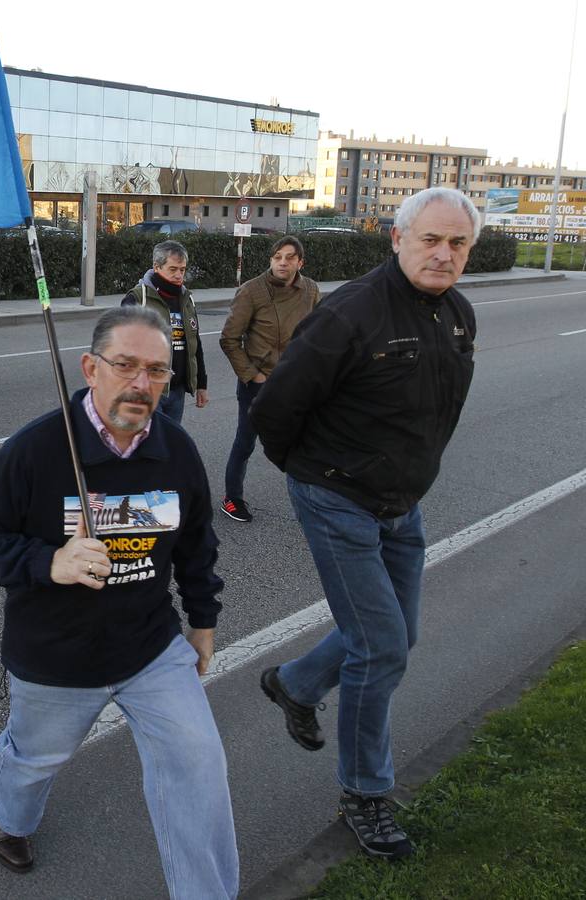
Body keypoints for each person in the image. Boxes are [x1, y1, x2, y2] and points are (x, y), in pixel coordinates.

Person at [0, 305, 237, 897]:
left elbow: (196, 542)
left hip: (150, 649)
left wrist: (203, 622)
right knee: (34, 763)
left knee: (198, 765)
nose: (141, 383)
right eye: (126, 365)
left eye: (157, 371)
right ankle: (8, 817)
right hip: (56, 657)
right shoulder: (37, 449)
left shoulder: (176, 451)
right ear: (89, 367)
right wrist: (48, 562)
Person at [251, 188, 480, 861]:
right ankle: (364, 794)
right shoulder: (350, 313)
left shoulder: (459, 314)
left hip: (401, 504)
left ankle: (294, 684)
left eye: (457, 243)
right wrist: (313, 473)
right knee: (379, 646)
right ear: (397, 239)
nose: (443, 253)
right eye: (430, 239)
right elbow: (275, 409)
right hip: (337, 498)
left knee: (395, 635)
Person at [217, 236, 320, 523]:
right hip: (258, 384)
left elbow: (318, 331)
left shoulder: (310, 289)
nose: (282, 262)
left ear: (300, 262)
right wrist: (254, 375)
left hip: (294, 382)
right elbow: (229, 339)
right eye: (277, 257)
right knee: (245, 442)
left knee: (305, 442)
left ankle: (315, 501)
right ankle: (232, 498)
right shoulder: (252, 291)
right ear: (271, 260)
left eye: (289, 257)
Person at [120, 241, 208, 423]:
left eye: (182, 270)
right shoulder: (137, 299)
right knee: (149, 446)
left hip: (177, 391)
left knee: (170, 445)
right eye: (173, 269)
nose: (179, 275)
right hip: (147, 391)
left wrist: (201, 384)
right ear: (157, 267)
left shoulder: (186, 300)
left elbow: (195, 344)